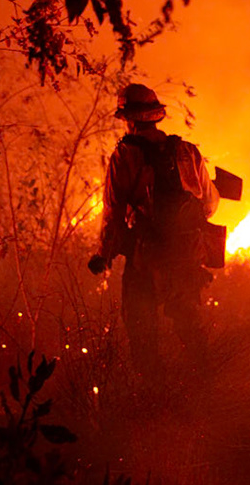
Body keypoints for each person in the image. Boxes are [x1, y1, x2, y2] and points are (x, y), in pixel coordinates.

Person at [88, 82, 221, 375]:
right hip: (187, 253)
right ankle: (208, 386)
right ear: (156, 115)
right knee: (189, 322)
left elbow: (114, 212)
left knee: (140, 322)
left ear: (129, 119)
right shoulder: (187, 151)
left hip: (147, 256)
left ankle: (153, 397)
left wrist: (105, 254)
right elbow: (209, 204)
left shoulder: (125, 155)